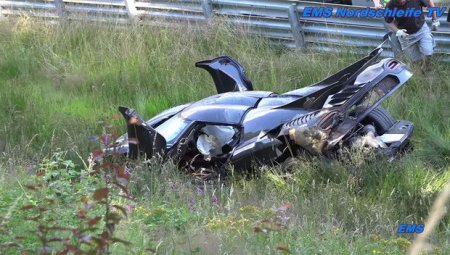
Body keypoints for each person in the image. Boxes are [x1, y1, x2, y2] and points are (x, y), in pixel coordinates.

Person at [381, 0, 440, 70]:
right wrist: (397, 31)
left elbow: (430, 2)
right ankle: (416, 75)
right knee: (413, 61)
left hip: (422, 30)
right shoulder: (390, 5)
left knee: (428, 52)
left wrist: (435, 19)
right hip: (405, 35)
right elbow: (388, 22)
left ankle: (426, 71)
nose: (402, 1)